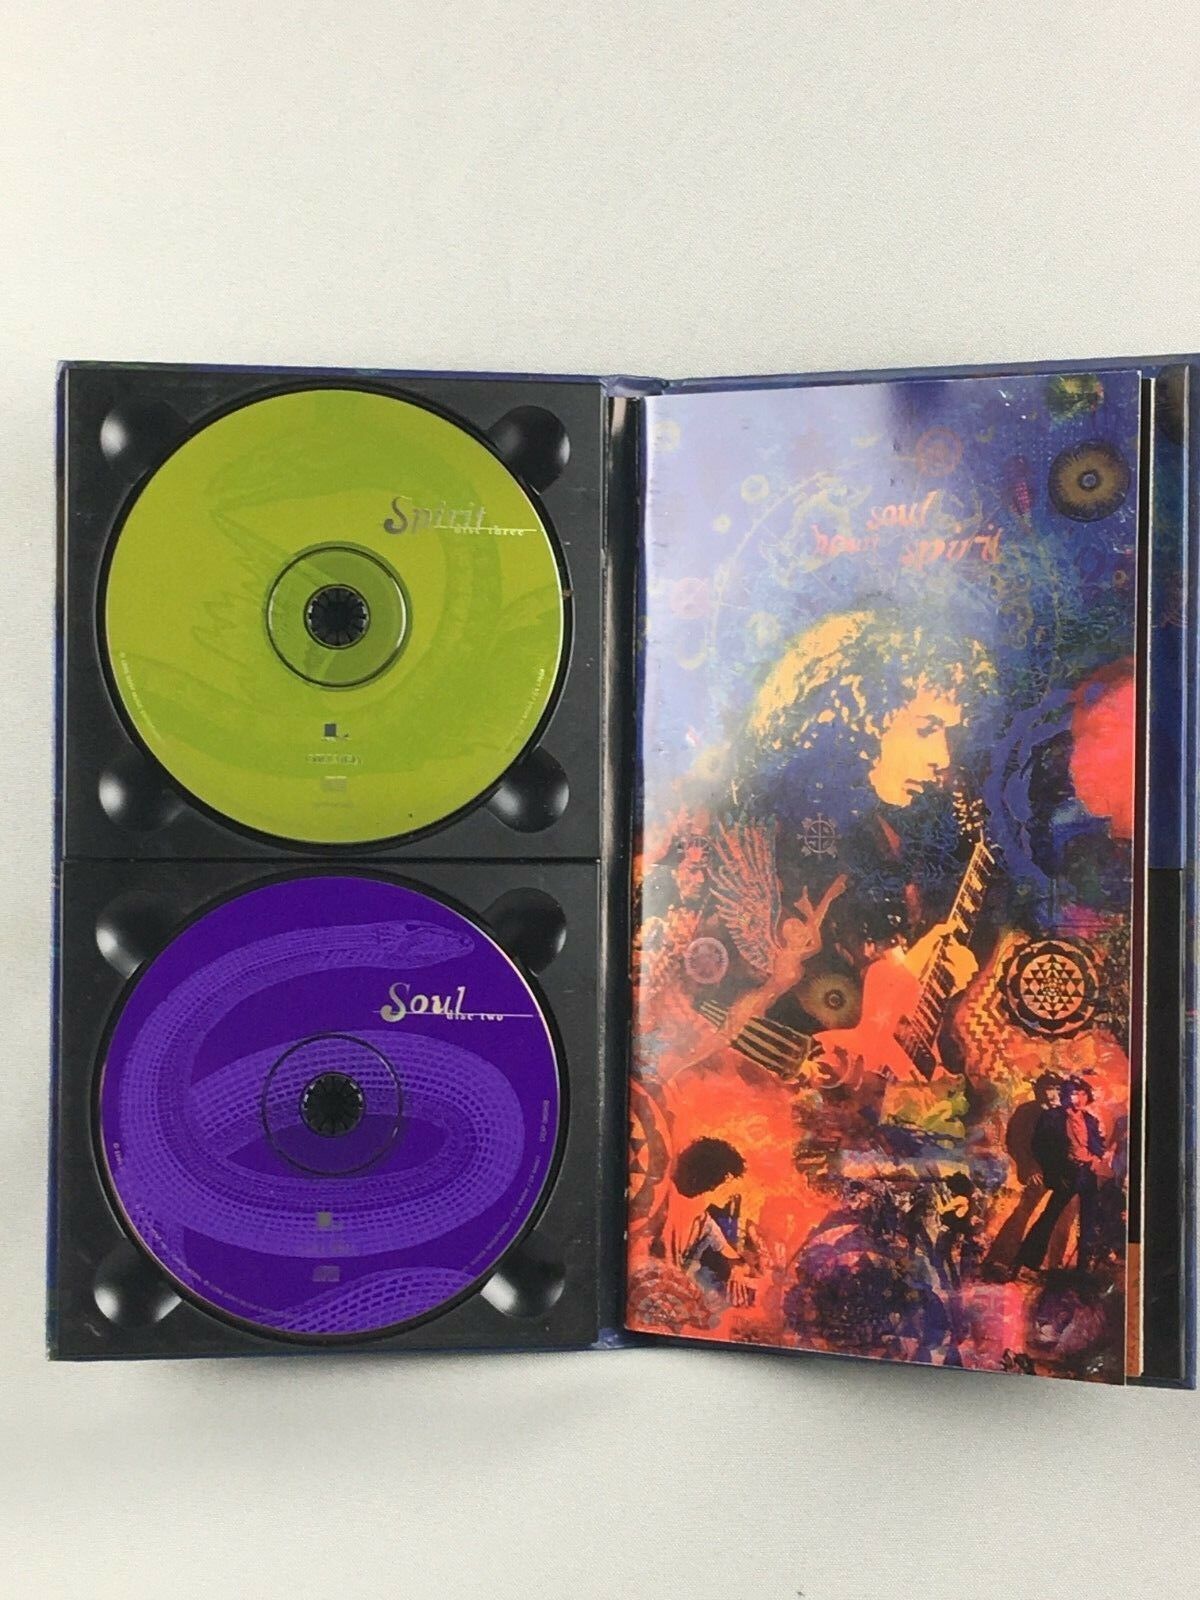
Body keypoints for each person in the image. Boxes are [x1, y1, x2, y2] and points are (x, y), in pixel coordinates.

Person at [1013, 1078, 1106, 1275]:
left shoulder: (1091, 1120)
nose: (1078, 1098)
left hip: (1087, 1173)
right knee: (1050, 1216)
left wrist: (1096, 1158)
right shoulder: (1052, 1117)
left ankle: (1084, 1268)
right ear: (1066, 1095)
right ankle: (1027, 1259)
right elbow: (1040, 1147)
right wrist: (1055, 1171)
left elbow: (1098, 1145)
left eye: (1083, 1094)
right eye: (1074, 1093)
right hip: (1065, 1173)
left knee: (1089, 1220)